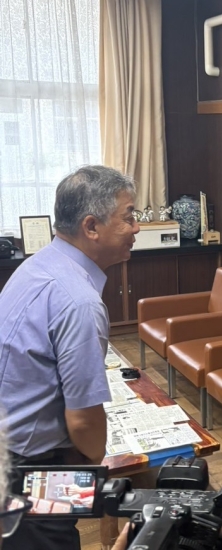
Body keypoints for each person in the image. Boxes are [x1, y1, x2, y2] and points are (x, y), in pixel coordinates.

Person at [0, 165, 140, 550]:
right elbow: (83, 421)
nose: (136, 228)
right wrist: (94, 465)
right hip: (31, 470)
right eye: (128, 217)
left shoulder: (37, 265)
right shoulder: (78, 301)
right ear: (91, 226)